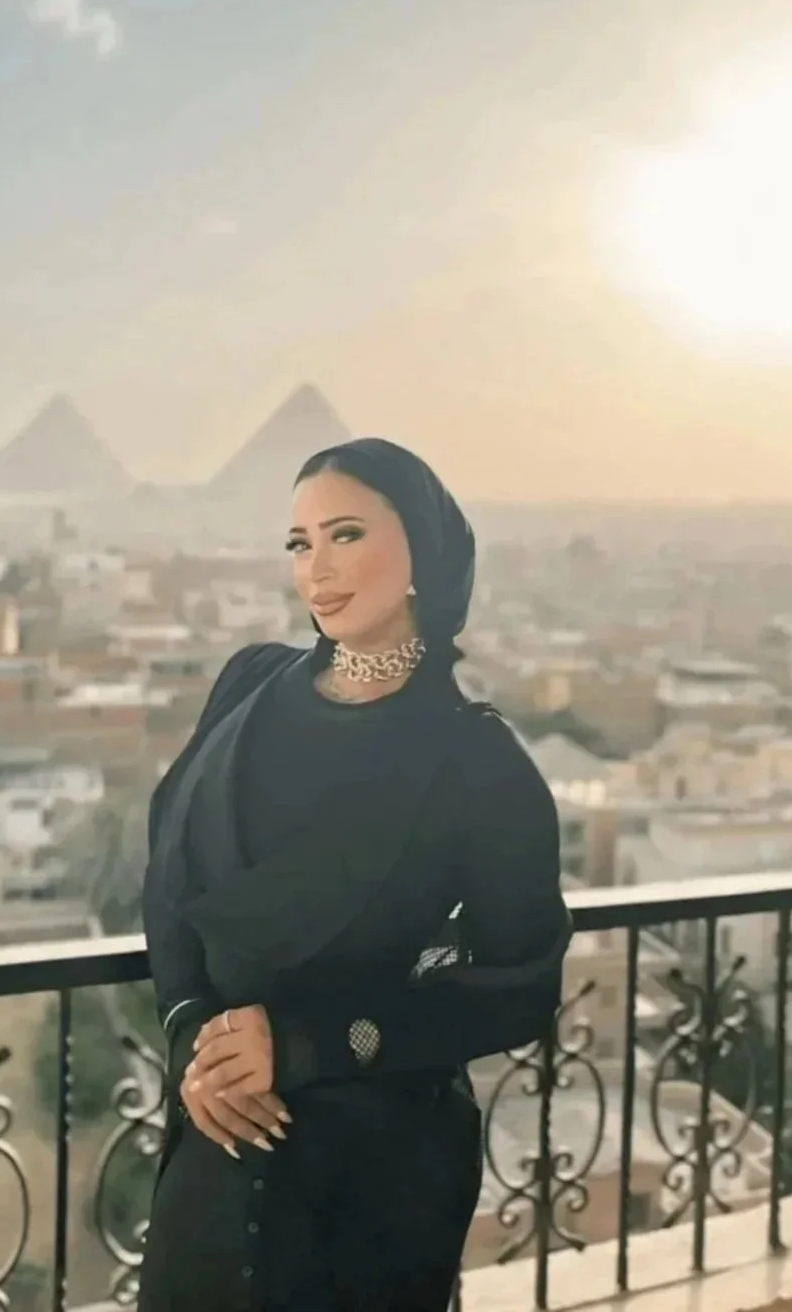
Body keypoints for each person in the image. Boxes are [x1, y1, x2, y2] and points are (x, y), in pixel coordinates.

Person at [138, 438, 571, 1312]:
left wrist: (307, 1042)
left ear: (422, 551)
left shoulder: (476, 760)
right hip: (218, 1144)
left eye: (345, 535)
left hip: (374, 1177)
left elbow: (521, 987)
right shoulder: (247, 686)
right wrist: (192, 1039)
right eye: (298, 543)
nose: (317, 568)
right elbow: (170, 880)